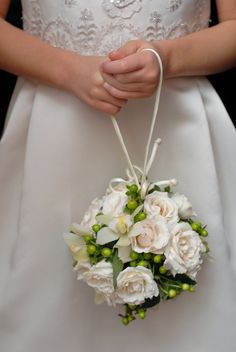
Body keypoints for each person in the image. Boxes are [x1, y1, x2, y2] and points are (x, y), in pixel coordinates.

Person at [0, 0, 235, 351]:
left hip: (176, 131)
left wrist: (167, 59)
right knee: (48, 307)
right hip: (57, 135)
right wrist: (68, 71)